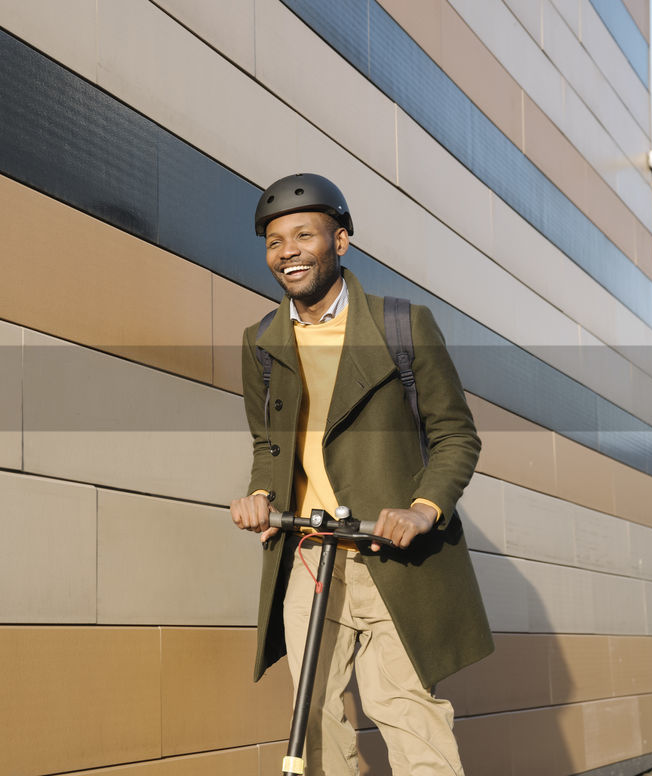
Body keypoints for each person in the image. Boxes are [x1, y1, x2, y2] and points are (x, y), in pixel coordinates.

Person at [230, 173, 494, 775]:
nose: (288, 250)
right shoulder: (261, 343)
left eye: (304, 234)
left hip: (390, 551)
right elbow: (268, 444)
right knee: (312, 717)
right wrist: (260, 494)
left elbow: (457, 436)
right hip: (309, 551)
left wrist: (423, 508)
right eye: (274, 241)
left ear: (341, 241)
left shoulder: (403, 326)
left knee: (402, 707)